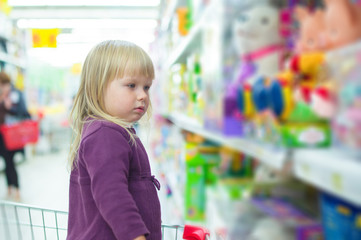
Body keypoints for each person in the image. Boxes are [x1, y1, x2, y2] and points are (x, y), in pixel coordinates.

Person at [67, 40, 161, 240]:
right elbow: (112, 196)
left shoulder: (113, 130)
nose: (143, 95)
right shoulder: (105, 135)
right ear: (98, 87)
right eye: (131, 85)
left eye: (147, 87)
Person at [0, 71, 31, 201]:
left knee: (11, 162)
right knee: (7, 162)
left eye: (3, 84)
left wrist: (9, 108)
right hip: (2, 135)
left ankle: (17, 189)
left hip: (12, 135)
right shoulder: (2, 96)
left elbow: (23, 113)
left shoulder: (15, 94)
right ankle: (9, 188)